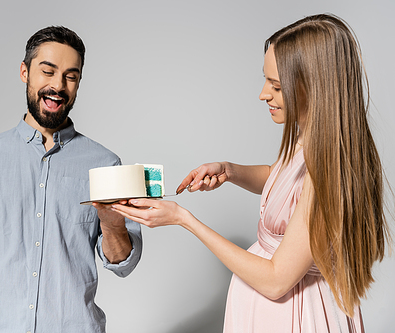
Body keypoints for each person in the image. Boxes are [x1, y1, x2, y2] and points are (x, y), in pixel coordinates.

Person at [110, 14, 390, 332]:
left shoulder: (328, 170)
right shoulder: (311, 137)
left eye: (276, 85)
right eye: (265, 80)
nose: (263, 94)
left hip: (296, 315)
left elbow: (275, 281)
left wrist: (183, 219)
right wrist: (230, 171)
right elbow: (285, 179)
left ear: (317, 85)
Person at [0, 26, 142, 333]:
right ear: (25, 71)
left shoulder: (105, 165)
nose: (58, 85)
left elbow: (123, 263)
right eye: (48, 71)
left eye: (70, 76)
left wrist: (112, 224)